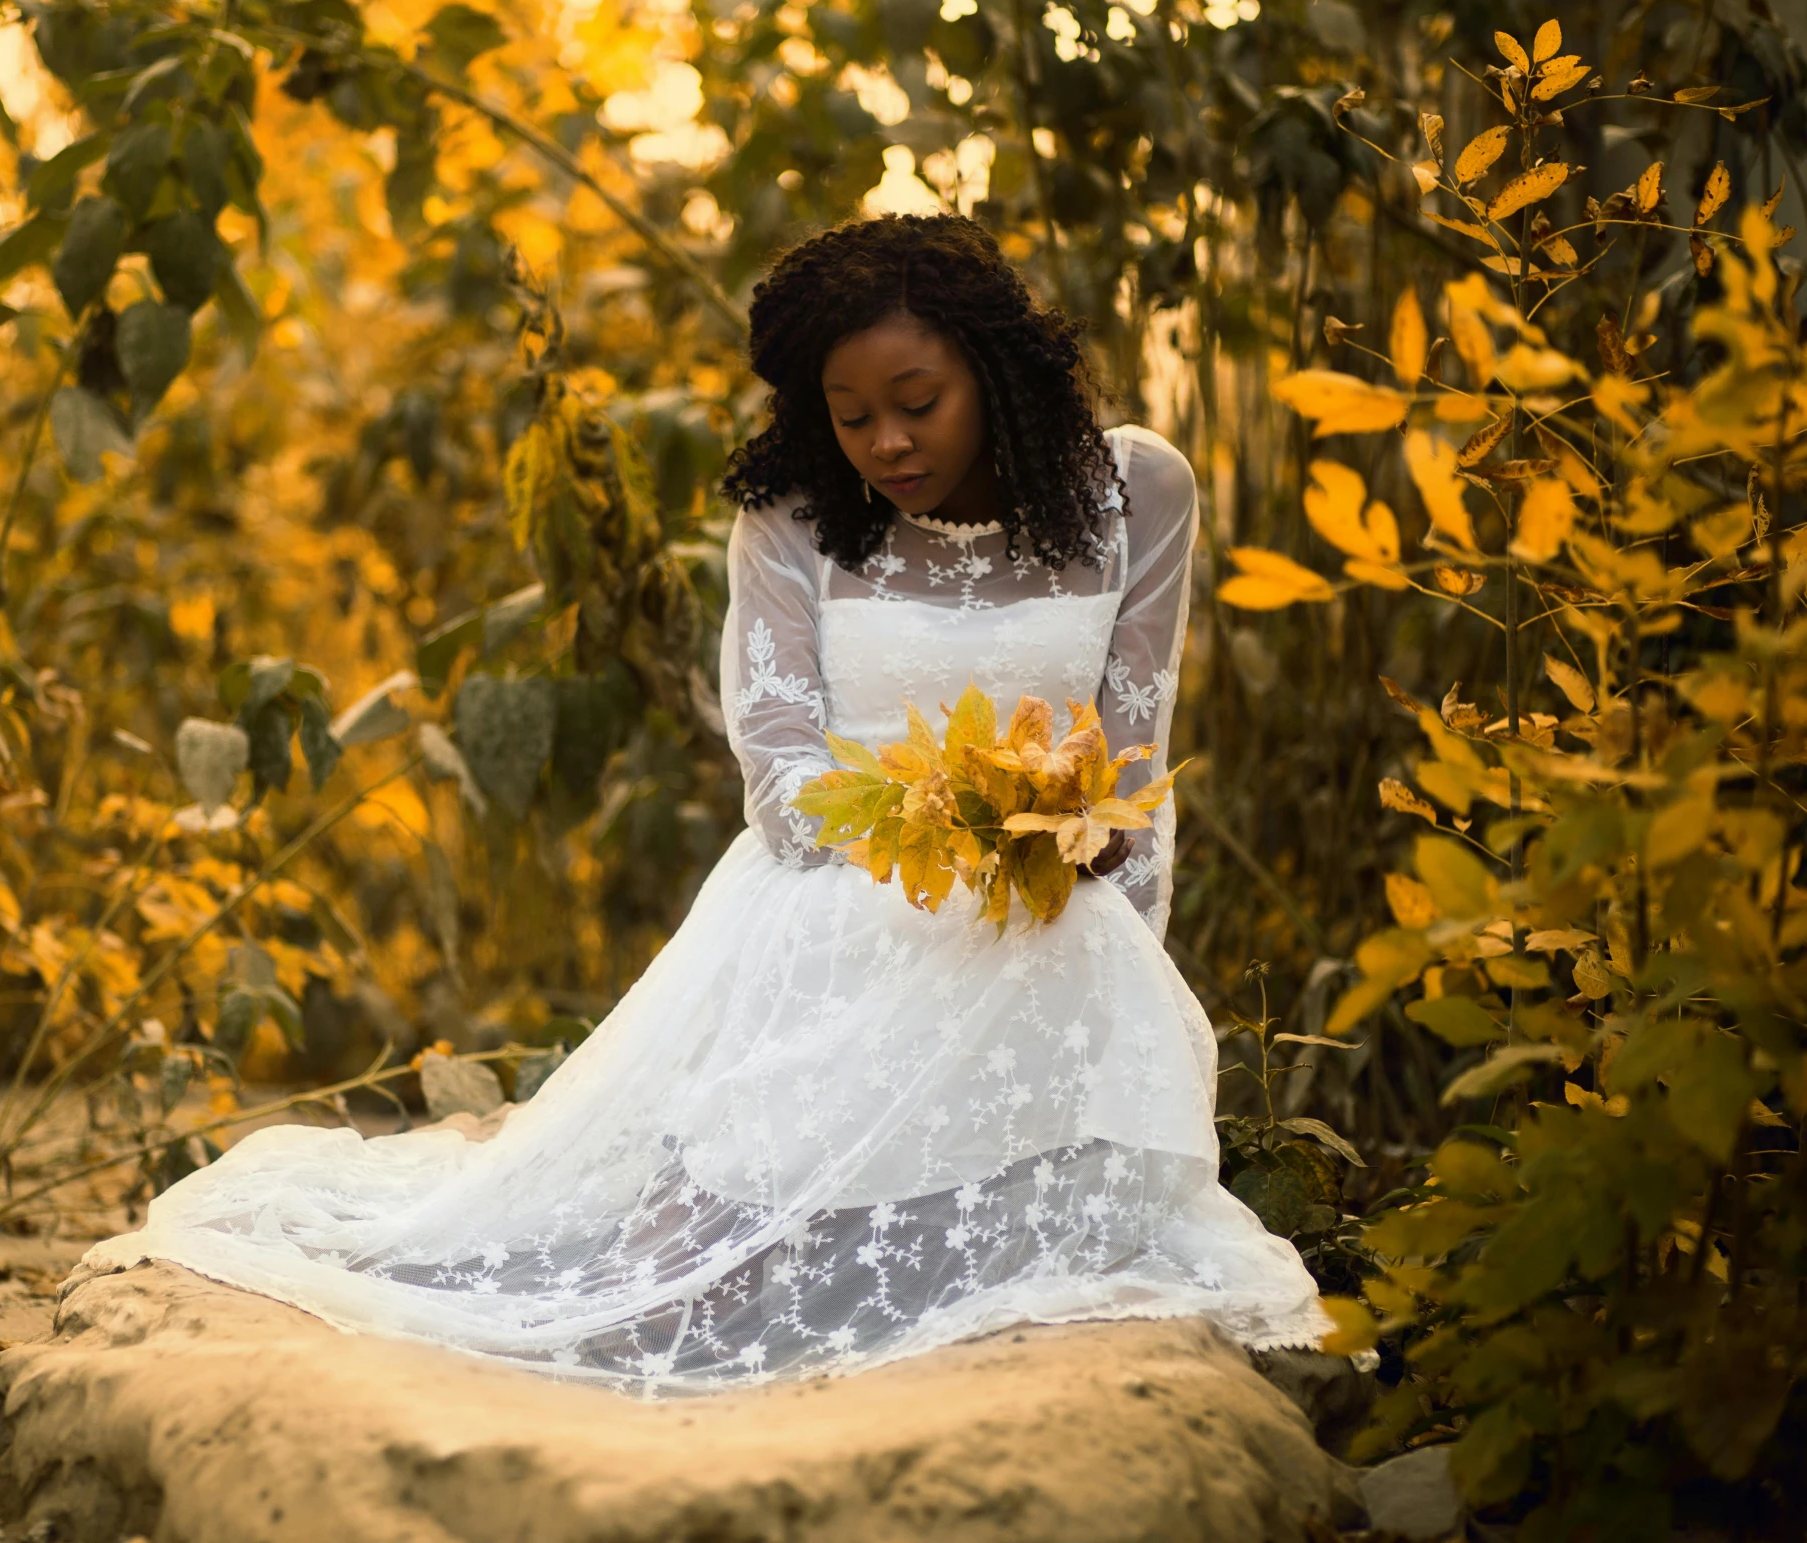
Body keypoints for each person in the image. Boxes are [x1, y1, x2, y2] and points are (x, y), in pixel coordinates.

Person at [80, 213, 1332, 1394]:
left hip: (1049, 912)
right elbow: (784, 776)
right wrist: (947, 838)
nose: (887, 445)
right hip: (841, 902)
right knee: (675, 1284)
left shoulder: (1135, 492)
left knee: (1074, 1215)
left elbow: (1133, 755)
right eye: (850, 419)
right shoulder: (791, 519)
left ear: (995, 370)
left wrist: (1119, 952)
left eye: (917, 404)